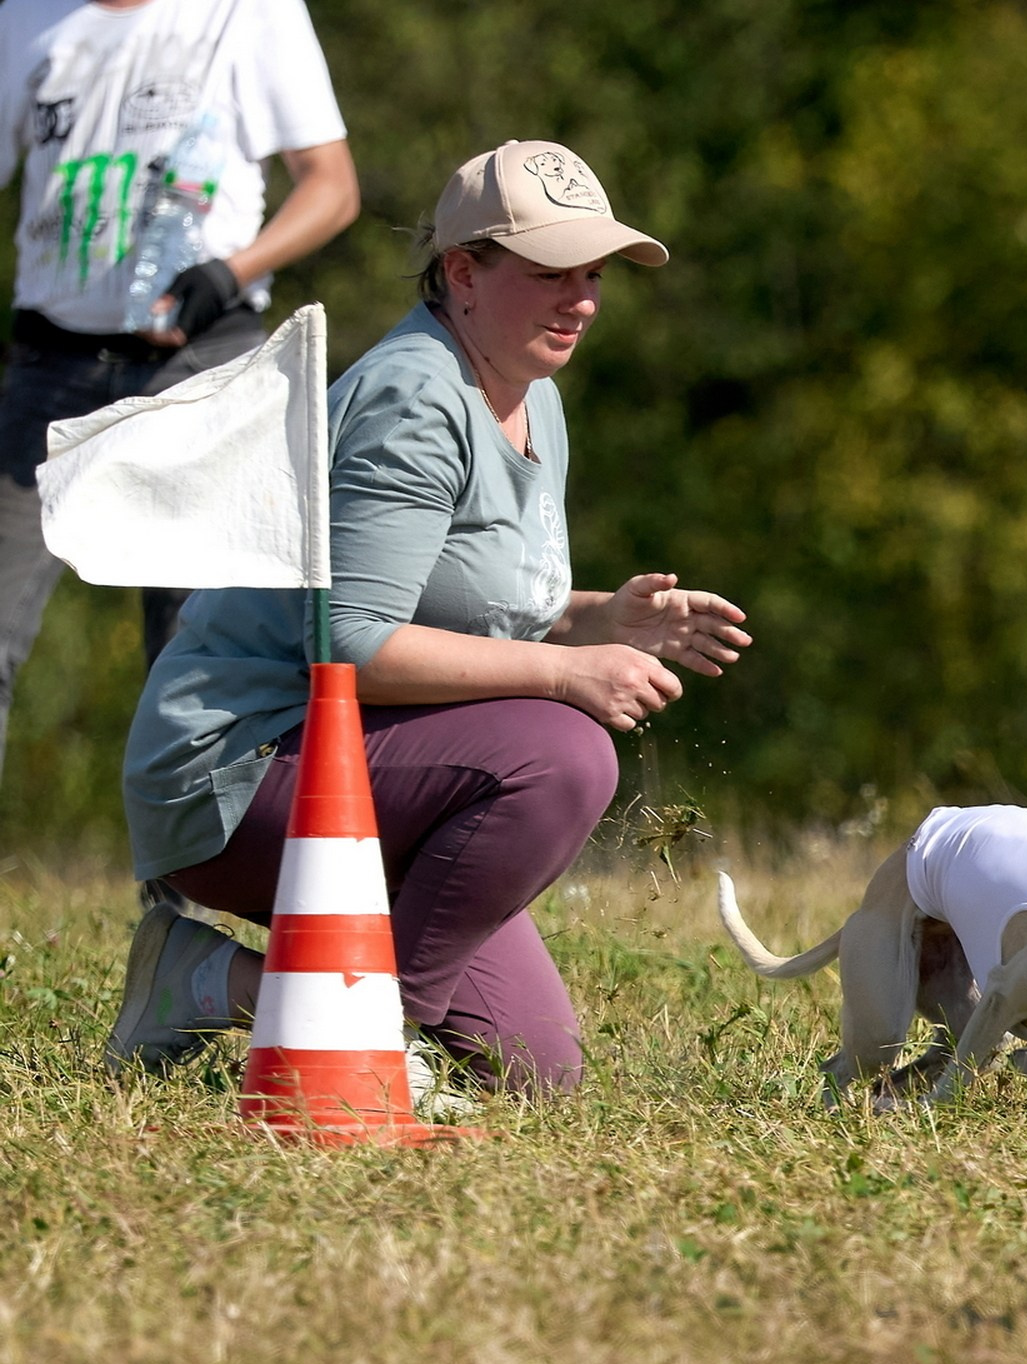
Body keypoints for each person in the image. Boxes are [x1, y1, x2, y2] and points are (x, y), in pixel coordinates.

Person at [107, 140, 751, 1101]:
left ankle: (202, 980)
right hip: (233, 771)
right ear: (462, 272)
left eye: (592, 273)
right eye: (548, 273)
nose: (581, 298)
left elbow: (468, 607)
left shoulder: (531, 387)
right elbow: (353, 645)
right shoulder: (414, 398)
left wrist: (594, 620)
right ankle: (368, 1037)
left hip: (349, 760)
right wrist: (567, 674)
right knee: (565, 754)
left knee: (538, 1075)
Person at [0, 0, 359, 781]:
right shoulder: (23, 17)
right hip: (49, 365)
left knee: (195, 654)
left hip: (203, 366)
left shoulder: (249, 12)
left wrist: (231, 270)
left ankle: (182, 892)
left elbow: (331, 185)